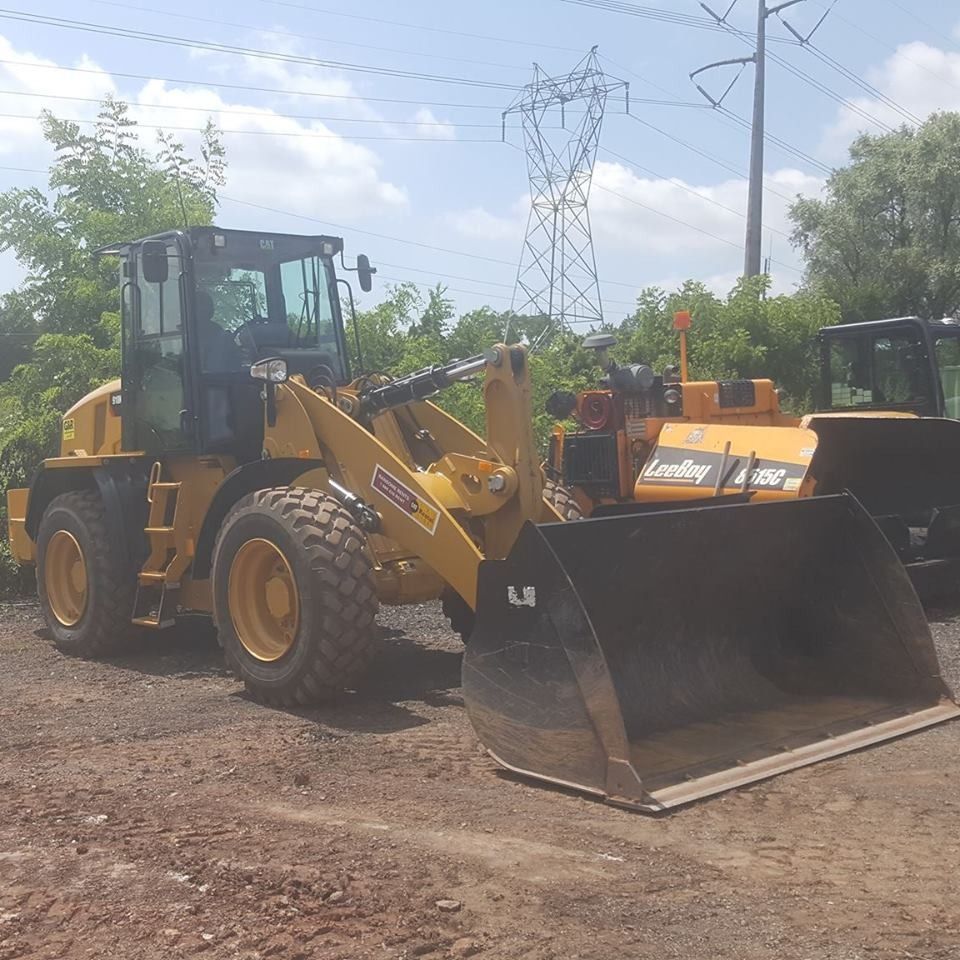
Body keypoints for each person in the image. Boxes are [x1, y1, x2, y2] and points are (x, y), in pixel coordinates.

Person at [195, 288, 244, 373]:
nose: (205, 309)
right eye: (201, 306)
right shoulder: (184, 336)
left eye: (207, 306)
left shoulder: (219, 333)